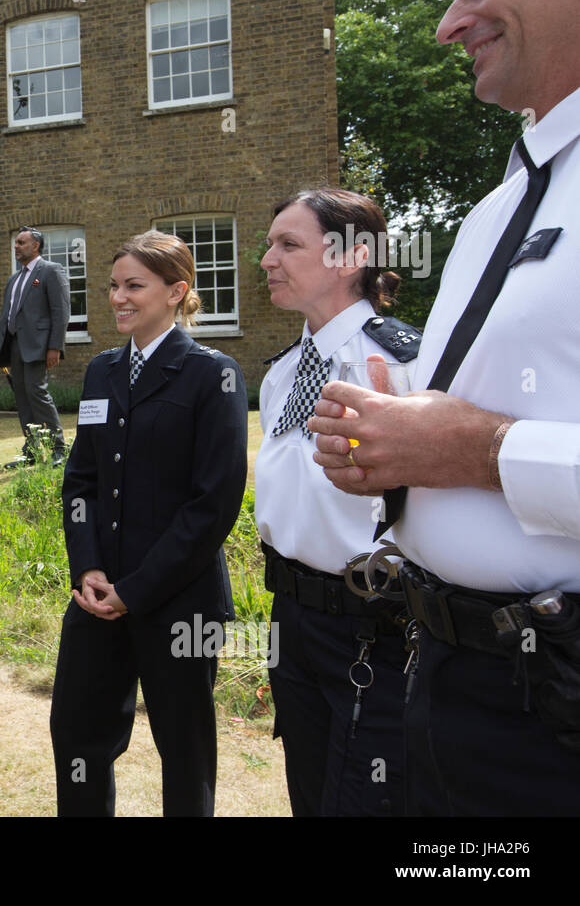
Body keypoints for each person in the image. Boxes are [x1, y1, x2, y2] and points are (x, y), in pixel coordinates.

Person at [308, 0, 580, 815]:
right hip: (451, 674)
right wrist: (395, 445)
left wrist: (476, 451)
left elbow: (478, 437)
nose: (449, 24)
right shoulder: (498, 207)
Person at [51, 230, 247, 816]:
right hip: (95, 597)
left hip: (177, 602)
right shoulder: (102, 373)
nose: (117, 297)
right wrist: (87, 568)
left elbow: (212, 504)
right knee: (77, 733)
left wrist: (134, 592)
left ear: (176, 291)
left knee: (184, 751)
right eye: (113, 285)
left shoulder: (212, 375)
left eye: (134, 285)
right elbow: (81, 483)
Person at [256, 189, 418, 815]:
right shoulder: (280, 375)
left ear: (352, 256)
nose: (267, 259)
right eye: (270, 244)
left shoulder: (405, 368)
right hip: (291, 619)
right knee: (308, 793)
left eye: (288, 244)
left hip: (374, 628)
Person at [0, 227, 70, 468]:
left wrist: (55, 346)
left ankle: (59, 447)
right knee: (22, 397)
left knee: (37, 392)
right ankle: (33, 450)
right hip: (14, 346)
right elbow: (6, 315)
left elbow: (60, 311)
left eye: (21, 243)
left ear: (35, 246)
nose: (16, 246)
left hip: (39, 346)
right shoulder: (13, 279)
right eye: (15, 243)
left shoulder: (50, 271)